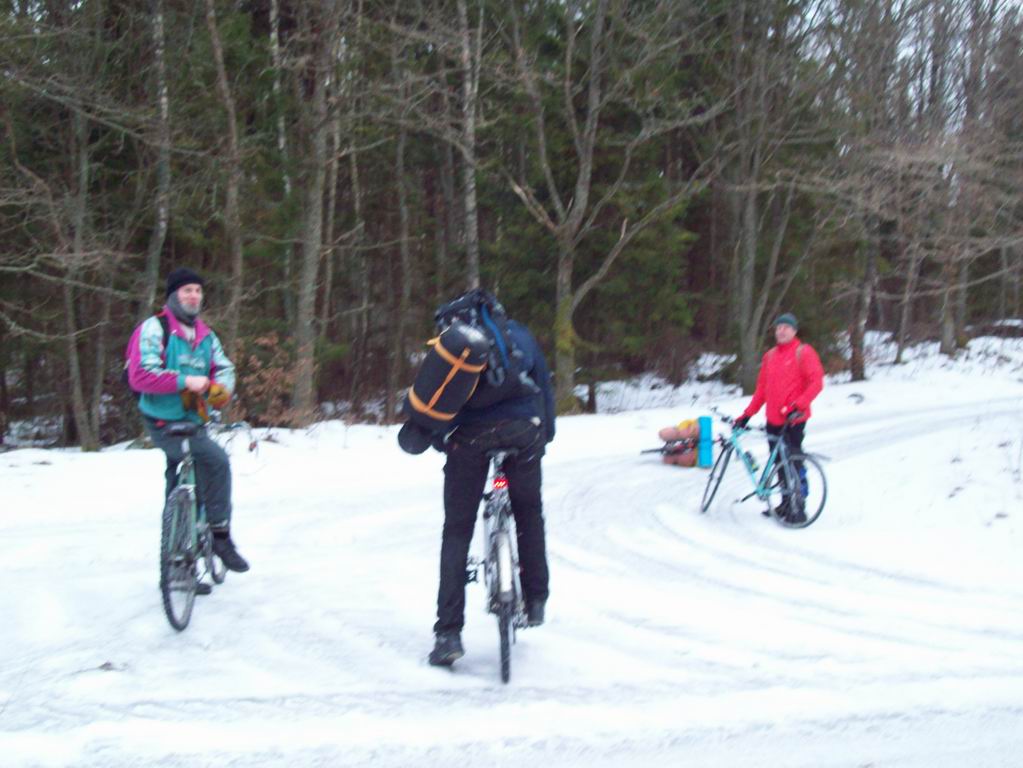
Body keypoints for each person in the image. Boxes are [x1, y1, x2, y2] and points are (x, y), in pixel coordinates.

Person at [426, 291, 556, 667]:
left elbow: (435, 400)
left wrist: (439, 439)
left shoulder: (452, 346)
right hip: (523, 431)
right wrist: (544, 435)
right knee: (528, 512)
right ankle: (535, 599)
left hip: (470, 439)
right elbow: (544, 386)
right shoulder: (519, 335)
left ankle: (448, 634)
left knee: (457, 530)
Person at [126, 268, 249, 578]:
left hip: (194, 420)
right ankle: (220, 535)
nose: (193, 296)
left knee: (180, 481)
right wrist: (186, 381)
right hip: (162, 421)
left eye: (197, 290)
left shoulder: (206, 336)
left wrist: (220, 392)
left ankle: (178, 562)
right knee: (216, 462)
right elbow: (140, 375)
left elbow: (224, 369)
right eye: (186, 291)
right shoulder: (154, 329)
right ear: (173, 296)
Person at [735, 313, 824, 523]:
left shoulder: (804, 352)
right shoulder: (770, 356)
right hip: (773, 419)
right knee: (778, 463)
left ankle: (798, 506)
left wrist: (798, 405)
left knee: (794, 463)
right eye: (778, 328)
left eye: (786, 327)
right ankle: (785, 503)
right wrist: (747, 415)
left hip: (794, 419)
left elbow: (816, 383)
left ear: (794, 331)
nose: (781, 331)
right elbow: (762, 390)